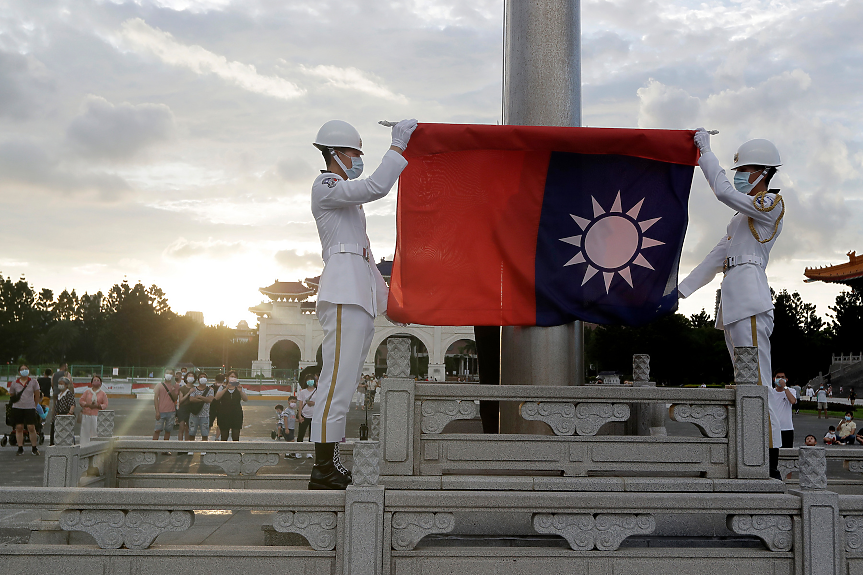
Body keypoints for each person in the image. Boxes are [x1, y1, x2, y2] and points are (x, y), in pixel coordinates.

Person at [308, 117, 418, 490]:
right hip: (342, 293)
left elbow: (368, 260)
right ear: (334, 153)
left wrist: (389, 306)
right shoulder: (326, 184)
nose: (358, 158)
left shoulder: (350, 205)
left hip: (357, 295)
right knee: (336, 379)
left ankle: (330, 461)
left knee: (347, 379)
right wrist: (398, 147)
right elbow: (375, 186)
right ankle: (322, 468)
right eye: (354, 152)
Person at [680, 132, 785, 479]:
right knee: (746, 383)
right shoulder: (739, 220)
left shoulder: (770, 204)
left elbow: (724, 191)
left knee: (758, 382)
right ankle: (752, 453)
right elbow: (715, 258)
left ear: (764, 174)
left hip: (750, 298)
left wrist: (705, 154)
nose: (741, 175)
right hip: (734, 298)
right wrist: (679, 293)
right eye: (739, 169)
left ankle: (768, 462)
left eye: (747, 169)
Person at [9, 364, 41, 455]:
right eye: (22, 369)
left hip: (29, 407)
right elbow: (12, 394)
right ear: (19, 372)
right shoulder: (14, 383)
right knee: (19, 427)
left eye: (26, 369)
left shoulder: (33, 382)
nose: (24, 370)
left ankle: (34, 447)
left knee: (31, 427)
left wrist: (35, 405)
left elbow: (37, 394)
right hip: (17, 407)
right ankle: (20, 447)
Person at [214, 370, 247, 441]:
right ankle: (224, 451)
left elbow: (245, 399)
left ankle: (235, 451)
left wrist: (240, 391)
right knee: (224, 435)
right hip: (224, 414)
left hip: (236, 414)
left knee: (235, 435)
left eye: (235, 377)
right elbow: (217, 397)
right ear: (227, 378)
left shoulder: (239, 387)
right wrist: (226, 388)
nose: (233, 378)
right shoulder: (222, 387)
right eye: (231, 376)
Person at [186, 372, 214, 451]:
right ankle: (191, 449)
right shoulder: (194, 389)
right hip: (194, 414)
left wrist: (199, 397)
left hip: (205, 415)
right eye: (201, 377)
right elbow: (191, 399)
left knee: (205, 433)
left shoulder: (210, 389)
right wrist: (203, 399)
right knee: (192, 433)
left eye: (204, 377)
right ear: (198, 380)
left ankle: (203, 449)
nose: (203, 378)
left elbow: (210, 400)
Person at [153, 369, 179, 449]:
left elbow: (175, 398)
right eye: (167, 373)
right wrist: (157, 411)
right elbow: (155, 399)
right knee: (157, 430)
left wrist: (173, 390)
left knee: (168, 430)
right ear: (164, 374)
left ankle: (165, 449)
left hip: (171, 412)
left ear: (173, 375)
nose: (169, 375)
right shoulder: (159, 385)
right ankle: (152, 447)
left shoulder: (176, 385)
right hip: (161, 412)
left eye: (171, 373)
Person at [769, 372, 797, 448]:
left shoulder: (791, 391)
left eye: (782, 377)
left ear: (786, 379)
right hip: (774, 428)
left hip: (787, 428)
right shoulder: (771, 392)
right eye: (778, 377)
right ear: (774, 379)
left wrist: (784, 387)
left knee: (787, 452)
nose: (780, 379)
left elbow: (793, 401)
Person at [79, 375, 108, 445]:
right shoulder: (87, 392)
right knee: (85, 432)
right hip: (86, 414)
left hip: (96, 416)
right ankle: (83, 446)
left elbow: (105, 404)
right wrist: (87, 405)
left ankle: (94, 446)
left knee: (95, 432)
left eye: (98, 380)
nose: (96, 382)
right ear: (91, 382)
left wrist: (98, 406)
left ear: (101, 383)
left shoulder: (103, 393)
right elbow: (81, 401)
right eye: (94, 380)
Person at [49, 362, 68, 446]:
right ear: (64, 366)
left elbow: (52, 383)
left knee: (55, 406)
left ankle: (54, 418)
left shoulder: (54, 374)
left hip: (56, 391)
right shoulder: (66, 373)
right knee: (64, 406)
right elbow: (69, 382)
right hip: (63, 392)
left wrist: (55, 389)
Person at [296, 377, 317, 455]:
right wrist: (299, 415)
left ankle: (309, 452)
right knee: (301, 433)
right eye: (308, 380)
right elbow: (300, 404)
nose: (310, 382)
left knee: (312, 434)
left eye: (311, 380)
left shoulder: (317, 391)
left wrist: (313, 403)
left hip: (314, 416)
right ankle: (299, 451)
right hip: (304, 415)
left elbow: (321, 402)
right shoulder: (303, 392)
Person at [176, 371, 196, 444]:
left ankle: (187, 445)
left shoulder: (195, 388)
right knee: (181, 427)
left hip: (191, 409)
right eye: (189, 376)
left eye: (192, 376)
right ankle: (180, 446)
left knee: (188, 428)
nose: (190, 377)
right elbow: (181, 400)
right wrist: (188, 393)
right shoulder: (182, 388)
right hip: (183, 409)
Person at [210, 373, 224, 439]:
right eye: (218, 381)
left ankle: (217, 437)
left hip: (221, 407)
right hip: (212, 407)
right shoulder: (211, 387)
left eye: (221, 381)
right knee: (209, 422)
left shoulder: (224, 388)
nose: (219, 383)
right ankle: (206, 436)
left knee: (220, 424)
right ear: (215, 380)